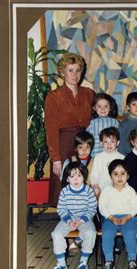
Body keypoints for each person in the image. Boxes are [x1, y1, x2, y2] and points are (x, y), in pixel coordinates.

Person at [44, 52, 95, 207]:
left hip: (85, 140)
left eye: (78, 70)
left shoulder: (89, 94)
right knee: (63, 180)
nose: (75, 74)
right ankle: (64, 220)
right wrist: (56, 159)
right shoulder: (54, 96)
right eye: (70, 70)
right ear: (62, 72)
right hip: (63, 141)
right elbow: (51, 128)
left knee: (84, 177)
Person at [50, 162, 97, 269]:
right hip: (68, 218)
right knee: (56, 234)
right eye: (72, 176)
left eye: (79, 176)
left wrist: (81, 221)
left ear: (84, 177)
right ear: (67, 179)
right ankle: (61, 264)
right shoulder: (65, 192)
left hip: (85, 219)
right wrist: (69, 221)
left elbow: (92, 209)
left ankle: (83, 261)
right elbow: (61, 209)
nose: (76, 179)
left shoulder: (88, 191)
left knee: (91, 233)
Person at [99, 160, 137, 269]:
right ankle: (109, 261)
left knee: (130, 233)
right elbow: (102, 207)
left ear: (128, 175)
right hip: (110, 218)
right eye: (115, 174)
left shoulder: (131, 191)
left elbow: (135, 207)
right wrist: (110, 217)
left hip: (129, 217)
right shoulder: (106, 190)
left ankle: (132, 260)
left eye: (123, 173)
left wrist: (128, 217)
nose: (119, 177)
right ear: (110, 176)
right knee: (107, 234)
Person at [89, 127, 124, 196]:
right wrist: (95, 185)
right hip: (102, 191)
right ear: (101, 143)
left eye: (112, 141)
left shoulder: (122, 158)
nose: (109, 144)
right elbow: (94, 175)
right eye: (106, 142)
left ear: (118, 142)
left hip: (118, 191)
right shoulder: (98, 157)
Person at [85, 93, 120, 157]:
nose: (102, 109)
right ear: (94, 108)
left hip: (111, 152)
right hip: (96, 152)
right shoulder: (93, 122)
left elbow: (119, 137)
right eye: (99, 106)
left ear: (111, 107)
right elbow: (87, 137)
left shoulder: (115, 122)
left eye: (106, 106)